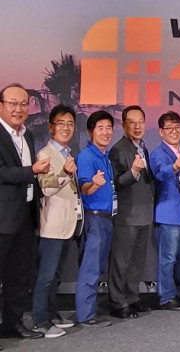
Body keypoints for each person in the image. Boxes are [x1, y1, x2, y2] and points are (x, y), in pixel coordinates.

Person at [0, 83, 48, 342]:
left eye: (23, 104)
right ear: (1, 106)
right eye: (13, 103)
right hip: (3, 218)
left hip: (25, 217)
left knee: (18, 275)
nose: (18, 109)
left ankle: (13, 323)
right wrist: (32, 171)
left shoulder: (26, 135)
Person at [32, 104, 80, 338]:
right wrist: (66, 174)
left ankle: (51, 313)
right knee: (46, 276)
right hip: (51, 225)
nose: (66, 128)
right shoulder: (45, 154)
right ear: (51, 127)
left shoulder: (67, 153)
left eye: (70, 124)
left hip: (67, 225)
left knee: (56, 275)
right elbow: (47, 188)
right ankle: (40, 320)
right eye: (61, 123)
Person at [108, 106, 155, 319]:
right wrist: (134, 171)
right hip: (127, 214)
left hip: (144, 212)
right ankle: (118, 301)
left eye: (140, 122)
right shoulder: (118, 150)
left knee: (137, 261)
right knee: (122, 261)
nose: (137, 126)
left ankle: (132, 297)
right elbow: (117, 182)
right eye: (132, 122)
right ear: (124, 125)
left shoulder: (143, 147)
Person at [75, 110, 116, 327]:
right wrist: (94, 185)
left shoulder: (105, 157)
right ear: (91, 132)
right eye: (100, 128)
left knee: (97, 267)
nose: (105, 132)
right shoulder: (87, 157)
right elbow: (84, 187)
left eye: (108, 128)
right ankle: (85, 315)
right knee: (90, 268)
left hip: (107, 218)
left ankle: (88, 311)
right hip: (94, 218)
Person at [150, 111, 180, 311]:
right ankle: (166, 296)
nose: (174, 131)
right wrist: (175, 166)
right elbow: (160, 173)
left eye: (177, 127)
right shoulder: (158, 153)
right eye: (169, 128)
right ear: (161, 132)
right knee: (167, 258)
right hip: (168, 214)